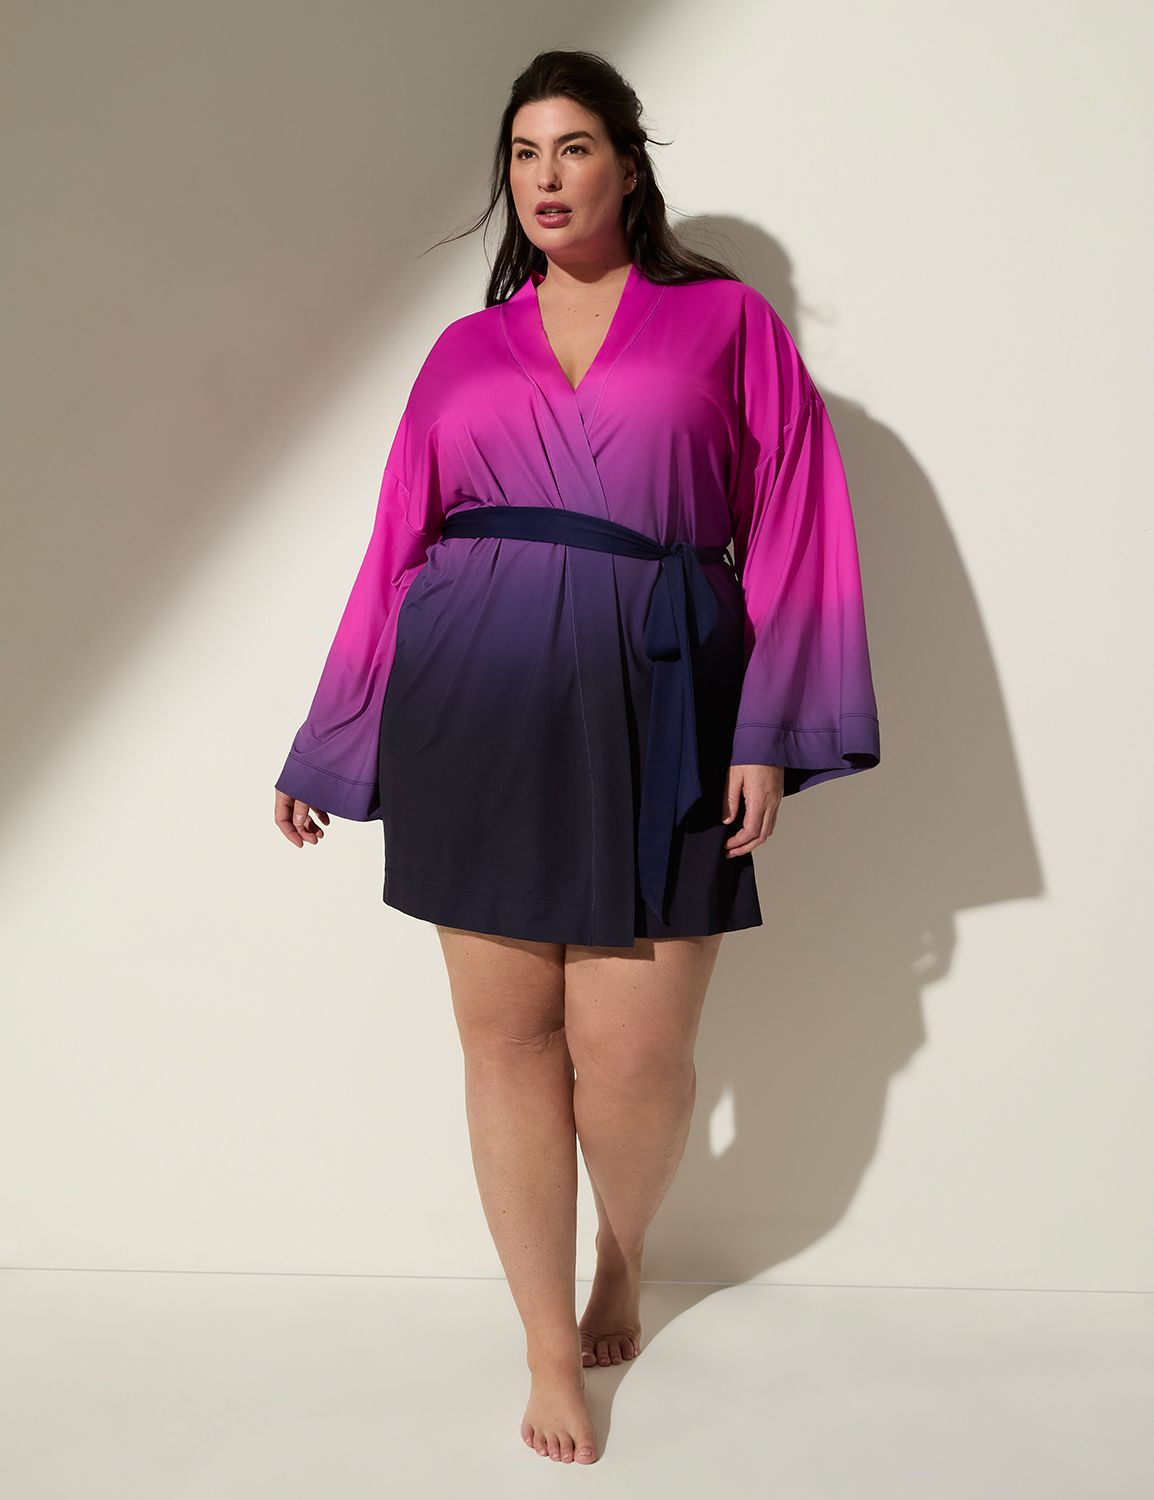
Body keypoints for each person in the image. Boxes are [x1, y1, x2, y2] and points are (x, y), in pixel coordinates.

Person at [273, 49, 880, 1466]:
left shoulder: (726, 323)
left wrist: (768, 729)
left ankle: (626, 1247)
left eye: (574, 148)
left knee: (632, 1057)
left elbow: (796, 518)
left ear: (627, 165)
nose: (544, 177)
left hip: (664, 709)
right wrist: (332, 735)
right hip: (473, 707)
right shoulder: (461, 349)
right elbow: (397, 543)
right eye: (523, 153)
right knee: (504, 1046)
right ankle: (547, 1344)